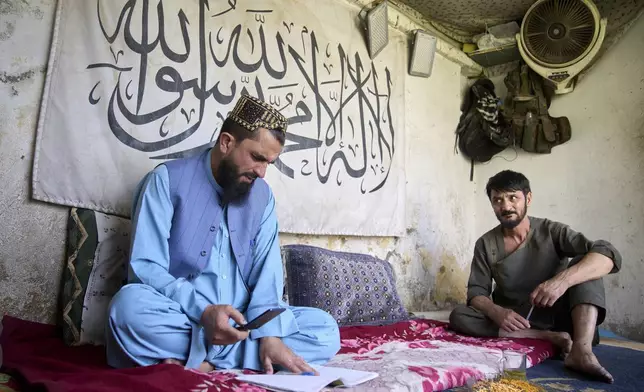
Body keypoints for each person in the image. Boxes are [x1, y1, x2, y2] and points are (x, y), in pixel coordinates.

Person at [106, 95, 341, 374]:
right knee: (127, 310)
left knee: (326, 329)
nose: (262, 173)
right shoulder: (166, 180)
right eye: (256, 158)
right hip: (186, 316)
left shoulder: (263, 198)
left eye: (269, 163)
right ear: (227, 142)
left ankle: (198, 360)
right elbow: (145, 268)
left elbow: (268, 275)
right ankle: (246, 357)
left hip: (246, 322)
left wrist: (269, 334)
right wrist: (204, 312)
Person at [449, 170, 621, 383]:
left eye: (513, 197)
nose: (506, 206)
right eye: (498, 200)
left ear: (527, 198)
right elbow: (476, 293)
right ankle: (548, 338)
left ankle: (582, 351)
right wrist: (497, 312)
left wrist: (561, 281)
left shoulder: (552, 231)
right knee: (459, 316)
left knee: (585, 265)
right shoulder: (485, 244)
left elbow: (606, 253)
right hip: (518, 321)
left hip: (562, 317)